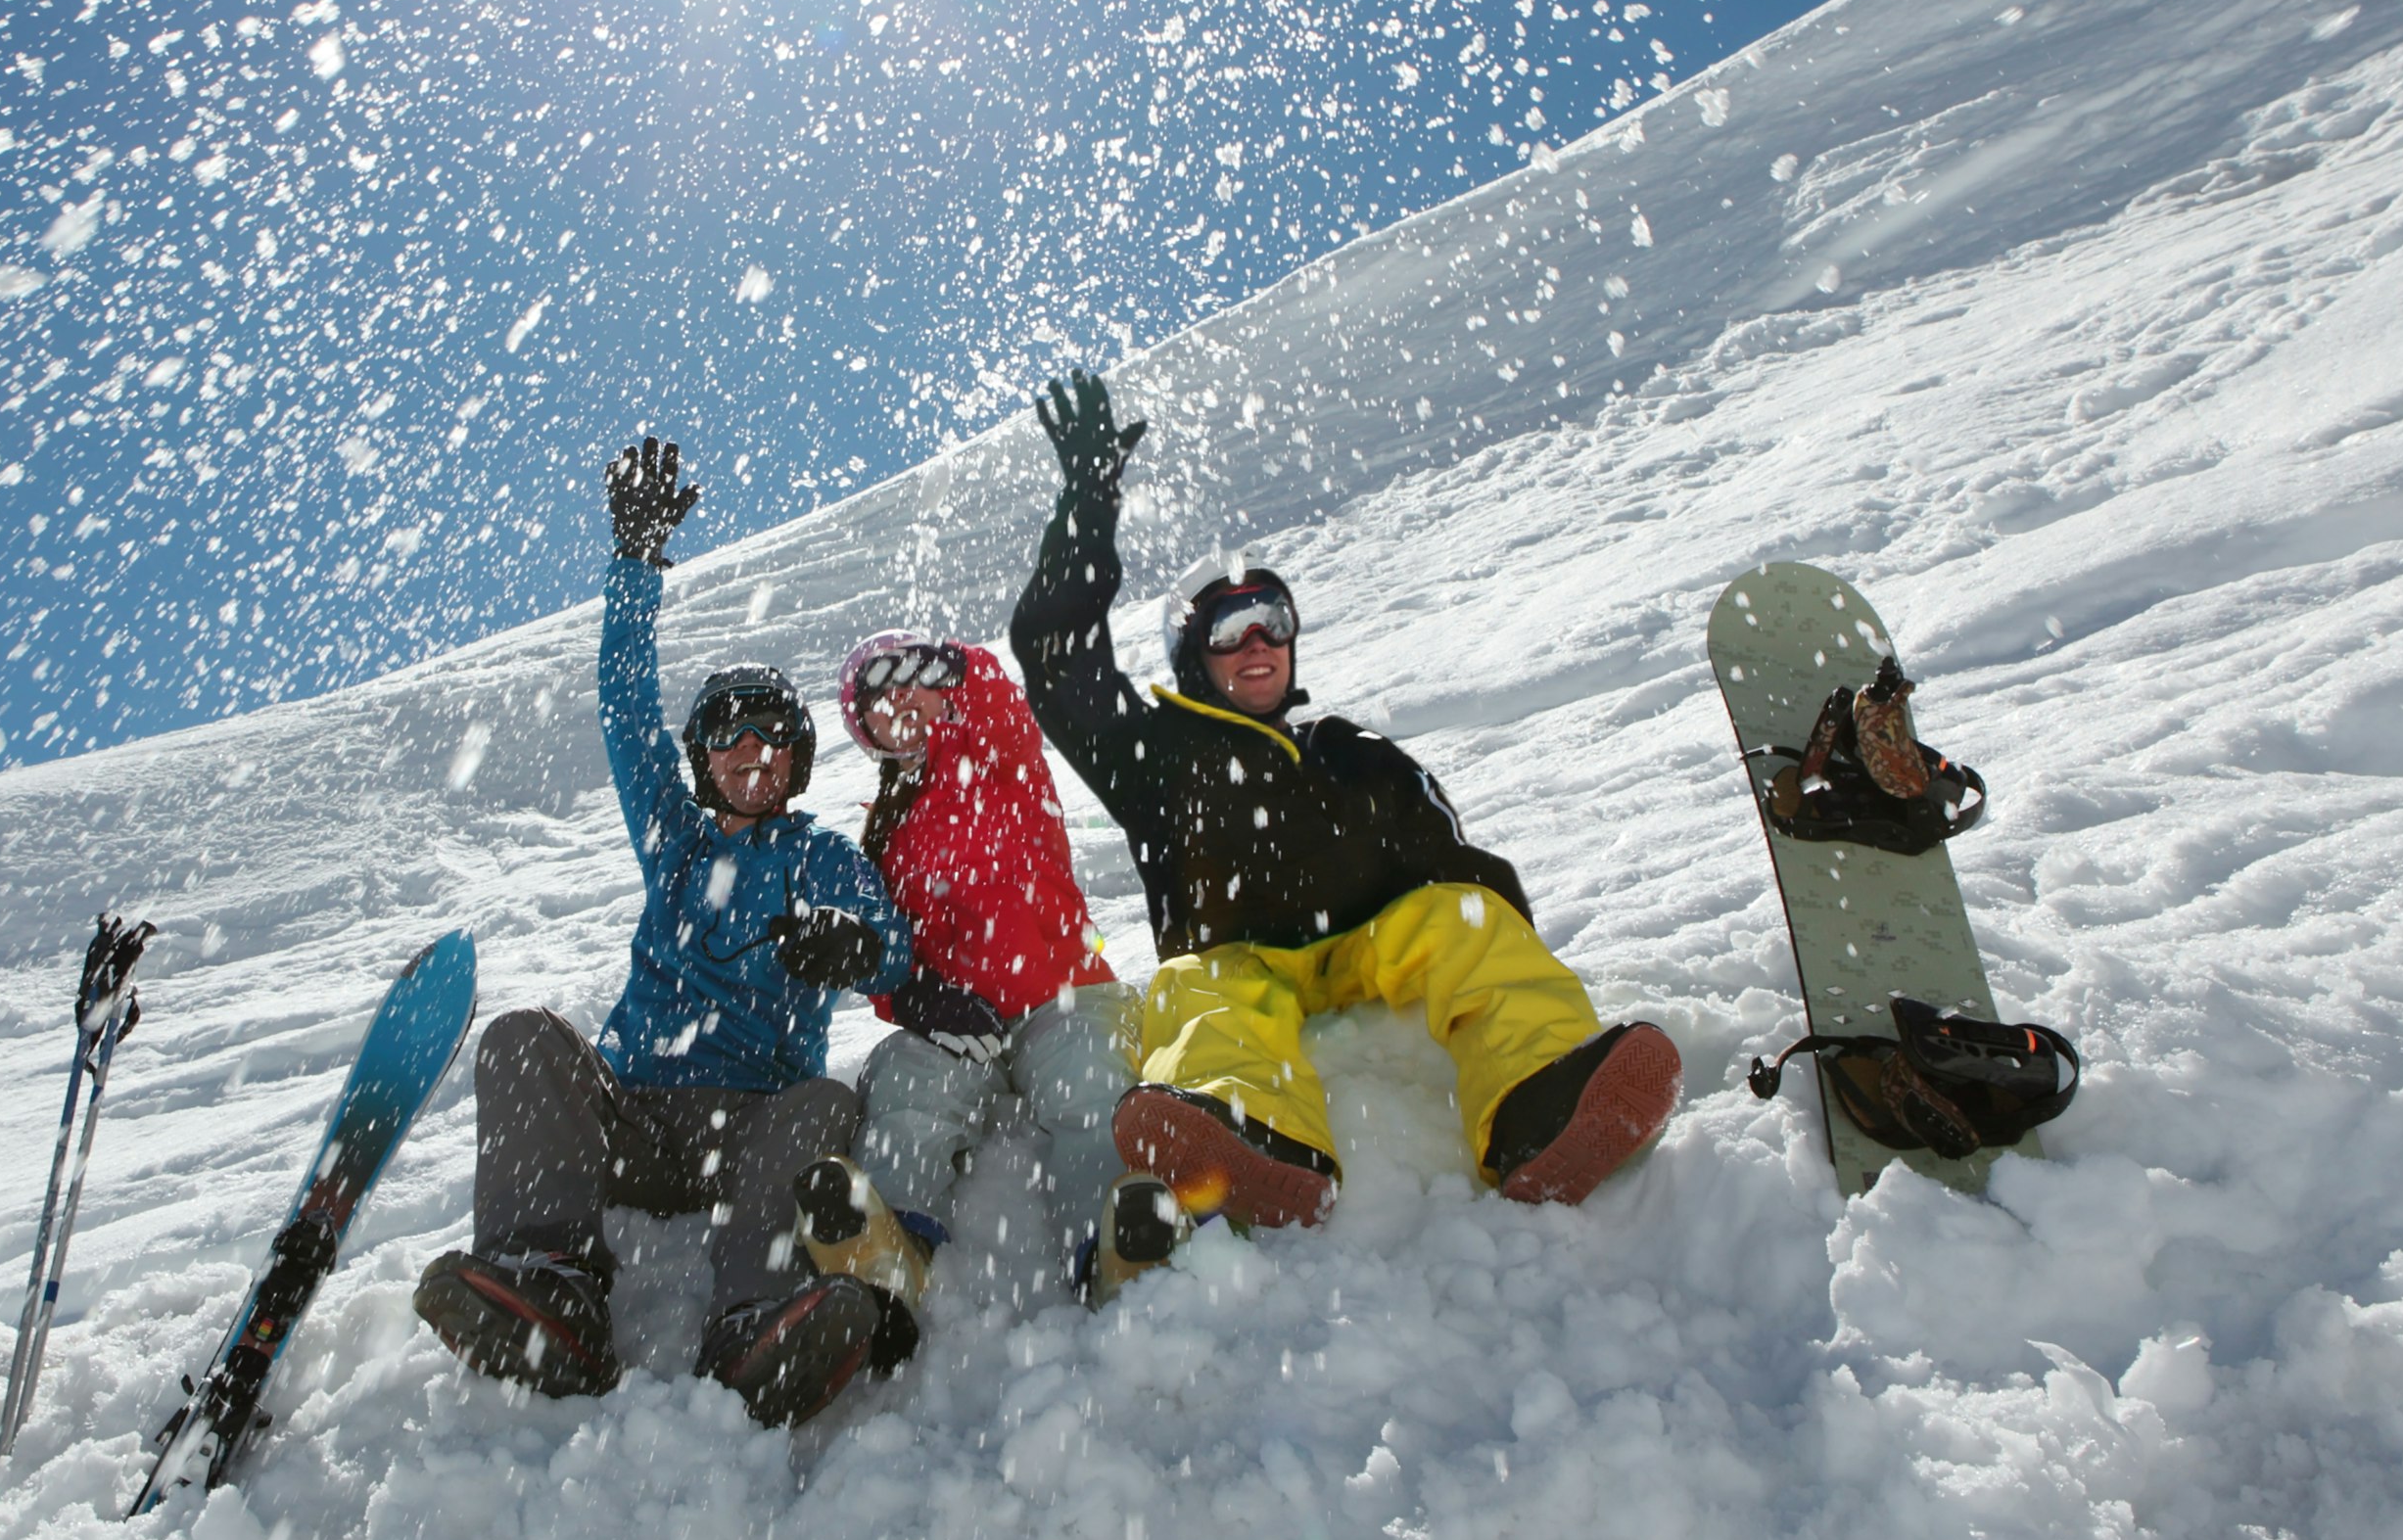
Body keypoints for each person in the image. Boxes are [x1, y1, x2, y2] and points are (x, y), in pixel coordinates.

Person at [1009, 370, 1681, 1230]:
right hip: (1239, 953)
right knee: (1194, 995)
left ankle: (1541, 1103)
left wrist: (1486, 908)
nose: (1256, 643)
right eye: (1227, 629)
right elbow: (1057, 656)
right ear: (1192, 659)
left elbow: (1445, 852)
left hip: (1377, 938)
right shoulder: (1155, 751)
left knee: (1465, 923)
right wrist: (1088, 503)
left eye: (1272, 621)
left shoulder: (1349, 747)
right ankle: (1257, 1140)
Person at [413, 437, 925, 1427]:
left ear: (798, 760)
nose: (754, 749)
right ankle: (551, 1288)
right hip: (638, 1115)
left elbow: (892, 942)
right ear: (700, 757)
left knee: (826, 1099)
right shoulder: (677, 842)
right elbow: (622, 703)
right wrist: (635, 562)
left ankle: (757, 1319)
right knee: (522, 1036)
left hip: (752, 1126)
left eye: (776, 734)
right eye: (731, 731)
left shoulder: (818, 855)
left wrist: (857, 948)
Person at [833, 631, 1180, 1304]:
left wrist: (960, 666)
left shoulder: (994, 756)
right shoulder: (883, 834)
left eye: (913, 681)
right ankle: (889, 1250)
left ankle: (1112, 1236)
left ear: (942, 695)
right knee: (908, 1092)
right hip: (968, 1023)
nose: (899, 698)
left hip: (1063, 992)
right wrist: (912, 1000)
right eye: (877, 695)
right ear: (864, 730)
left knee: (1090, 1086)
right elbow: (887, 953)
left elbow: (1003, 708)